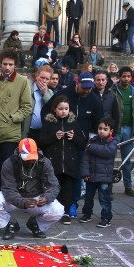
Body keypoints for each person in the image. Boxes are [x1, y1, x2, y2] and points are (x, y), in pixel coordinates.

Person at [0, 138, 63, 240]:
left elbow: (54, 185)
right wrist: (22, 202)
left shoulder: (44, 162)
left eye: (32, 158)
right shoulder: (9, 163)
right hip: (15, 198)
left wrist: (46, 198)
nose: (30, 161)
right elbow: (8, 189)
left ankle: (36, 225)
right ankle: (10, 224)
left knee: (58, 210)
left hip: (36, 199)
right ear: (20, 155)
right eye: (27, 159)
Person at [39, 95, 87, 225]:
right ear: (55, 109)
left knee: (68, 189)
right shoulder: (49, 123)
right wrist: (54, 137)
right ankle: (52, 211)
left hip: (70, 163)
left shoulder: (73, 123)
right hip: (53, 162)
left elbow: (83, 143)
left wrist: (74, 137)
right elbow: (41, 142)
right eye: (60, 109)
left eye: (66, 108)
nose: (63, 111)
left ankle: (65, 213)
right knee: (53, 187)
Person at [0, 51, 33, 192]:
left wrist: (13, 118)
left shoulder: (23, 81)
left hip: (11, 134)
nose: (7, 67)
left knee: (7, 170)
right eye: (5, 64)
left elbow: (27, 106)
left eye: (10, 64)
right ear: (0, 64)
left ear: (15, 65)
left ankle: (6, 198)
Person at [112, 65, 134, 196]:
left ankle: (128, 186)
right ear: (119, 77)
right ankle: (107, 186)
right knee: (110, 159)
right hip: (116, 130)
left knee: (127, 160)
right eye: (124, 76)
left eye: (128, 76)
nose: (126, 78)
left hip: (129, 129)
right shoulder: (113, 91)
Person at [79, 117, 117, 227]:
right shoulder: (93, 140)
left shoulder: (112, 142)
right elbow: (85, 159)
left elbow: (108, 152)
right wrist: (85, 173)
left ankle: (106, 218)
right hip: (91, 175)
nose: (102, 131)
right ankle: (87, 214)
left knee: (104, 199)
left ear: (111, 131)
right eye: (100, 128)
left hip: (105, 176)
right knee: (88, 197)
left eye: (105, 129)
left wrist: (91, 147)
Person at [27, 65, 53, 140]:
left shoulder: (50, 93)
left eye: (47, 79)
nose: (44, 81)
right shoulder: (28, 88)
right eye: (42, 77)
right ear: (36, 76)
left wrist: (45, 93)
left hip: (43, 132)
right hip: (28, 131)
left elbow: (52, 108)